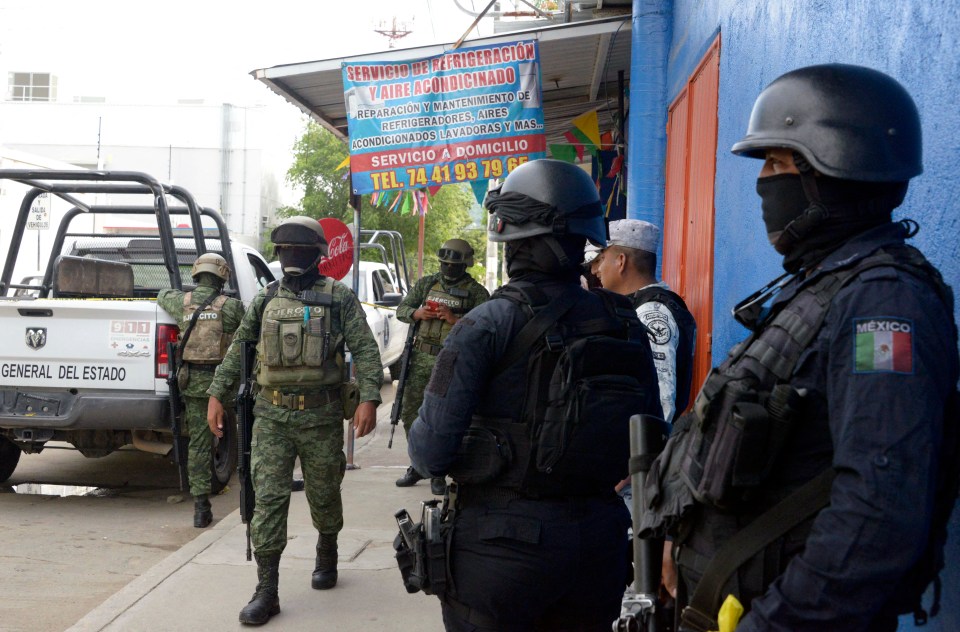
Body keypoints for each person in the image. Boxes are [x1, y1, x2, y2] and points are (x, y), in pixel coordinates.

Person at [651, 64, 958, 632]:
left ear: (830, 172)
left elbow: (878, 511)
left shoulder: (885, 308)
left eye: (776, 163)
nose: (764, 181)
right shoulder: (820, 286)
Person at [407, 158, 662, 631]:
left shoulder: (485, 324)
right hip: (599, 550)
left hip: (501, 556)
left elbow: (428, 453)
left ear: (513, 239)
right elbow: (649, 436)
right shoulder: (626, 322)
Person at [205, 216, 383, 626]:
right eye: (285, 251)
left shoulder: (338, 297)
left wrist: (369, 398)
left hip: (320, 415)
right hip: (271, 415)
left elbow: (366, 350)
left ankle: (327, 548)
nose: (291, 258)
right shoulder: (266, 298)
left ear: (317, 255)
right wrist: (217, 393)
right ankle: (267, 590)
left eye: (299, 251)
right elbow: (239, 350)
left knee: (323, 492)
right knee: (267, 500)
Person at [394, 239, 490, 495]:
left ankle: (437, 471)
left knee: (444, 419)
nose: (448, 268)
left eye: (453, 264)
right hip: (419, 360)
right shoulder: (427, 284)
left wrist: (455, 319)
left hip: (450, 363)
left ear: (464, 265)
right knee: (411, 414)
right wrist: (418, 314)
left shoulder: (476, 292)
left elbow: (485, 328)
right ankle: (418, 464)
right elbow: (402, 309)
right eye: (444, 264)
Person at [157, 252, 244, 528]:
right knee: (244, 436)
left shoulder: (181, 302)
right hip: (226, 384)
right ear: (222, 276)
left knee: (199, 444)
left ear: (196, 274)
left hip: (194, 386)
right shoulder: (232, 307)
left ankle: (200, 507)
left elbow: (162, 295)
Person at [596, 219, 696, 424]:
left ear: (621, 261)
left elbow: (662, 399)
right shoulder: (639, 306)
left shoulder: (653, 311)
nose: (595, 270)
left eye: (602, 258)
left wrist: (644, 453)